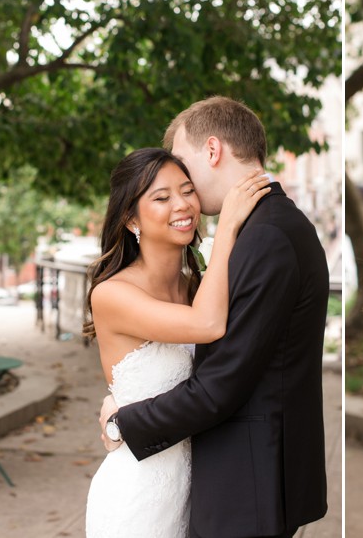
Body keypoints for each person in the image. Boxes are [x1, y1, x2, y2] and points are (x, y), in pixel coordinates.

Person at [99, 97, 330, 538]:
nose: (184, 187)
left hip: (248, 486)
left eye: (183, 171)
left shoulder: (264, 237)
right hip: (214, 484)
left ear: (212, 150)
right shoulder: (266, 227)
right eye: (163, 193)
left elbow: (219, 385)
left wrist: (124, 421)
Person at [84, 147, 271, 538]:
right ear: (130, 218)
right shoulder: (112, 294)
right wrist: (228, 227)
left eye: (188, 190)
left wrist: (118, 410)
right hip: (136, 498)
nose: (183, 205)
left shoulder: (196, 286)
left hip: (195, 491)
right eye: (162, 197)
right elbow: (207, 325)